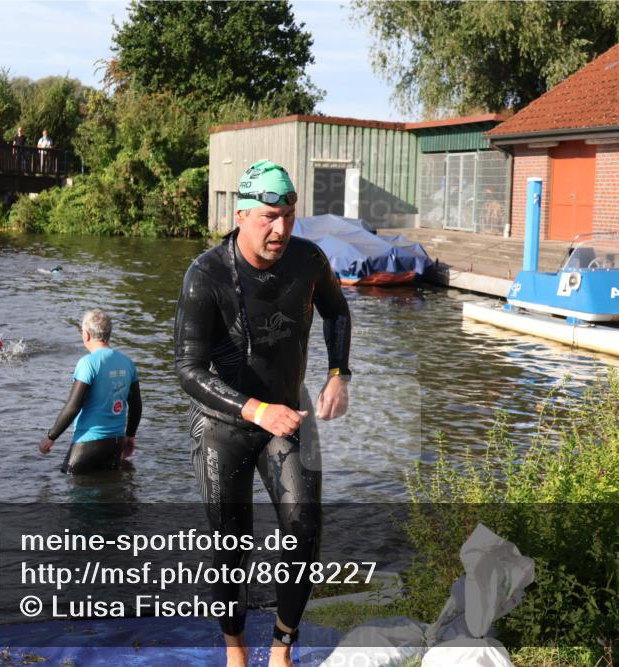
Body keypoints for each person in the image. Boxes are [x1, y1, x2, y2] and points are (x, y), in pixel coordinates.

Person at [174, 159, 352, 667]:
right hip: (224, 423)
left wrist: (338, 373)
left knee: (304, 529)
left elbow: (337, 311)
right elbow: (188, 370)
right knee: (232, 546)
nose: (280, 229)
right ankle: (235, 649)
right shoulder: (205, 275)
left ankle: (282, 646)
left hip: (288, 417)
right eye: (269, 217)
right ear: (241, 214)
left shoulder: (308, 261)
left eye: (290, 216)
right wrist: (255, 409)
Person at [39, 310, 141, 474]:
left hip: (87, 443)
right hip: (115, 443)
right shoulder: (127, 363)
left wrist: (51, 437)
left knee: (71, 487)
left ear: (86, 334)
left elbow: (73, 406)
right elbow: (136, 405)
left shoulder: (88, 363)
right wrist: (130, 435)